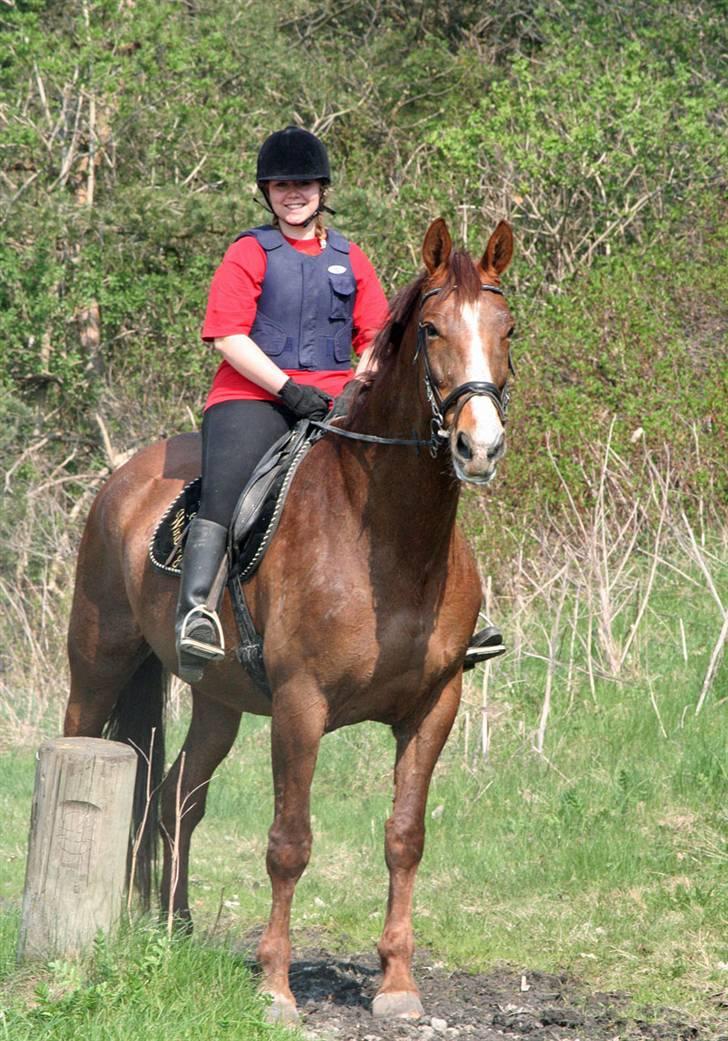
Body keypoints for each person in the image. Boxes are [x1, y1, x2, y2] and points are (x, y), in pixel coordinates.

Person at [175, 126, 504, 682]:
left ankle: (459, 611)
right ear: (266, 192)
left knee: (411, 477)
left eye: (304, 184)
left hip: (333, 400)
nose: (293, 193)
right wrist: (286, 389)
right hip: (251, 396)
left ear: (322, 190)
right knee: (228, 491)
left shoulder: (350, 258)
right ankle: (197, 612)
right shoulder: (248, 253)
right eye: (281, 185)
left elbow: (378, 337)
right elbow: (227, 336)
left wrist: (356, 385)